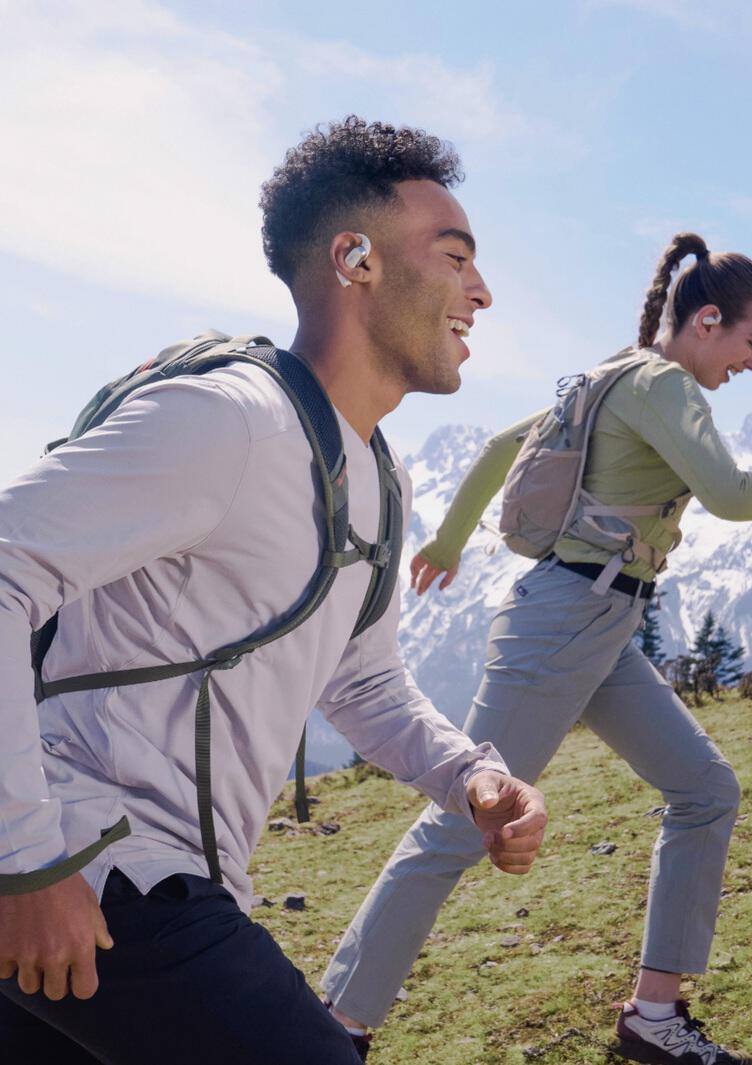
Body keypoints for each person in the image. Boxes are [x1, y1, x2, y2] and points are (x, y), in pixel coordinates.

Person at [0, 116, 548, 1065]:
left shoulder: (375, 475)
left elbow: (363, 681)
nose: (482, 291)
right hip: (94, 868)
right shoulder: (227, 421)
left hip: (155, 881)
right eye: (454, 256)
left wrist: (470, 777)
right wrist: (23, 862)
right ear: (356, 259)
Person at [322, 231, 752, 1064]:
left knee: (705, 788)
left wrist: (454, 541)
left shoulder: (615, 376)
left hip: (594, 624)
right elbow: (735, 493)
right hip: (567, 621)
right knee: (463, 820)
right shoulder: (662, 386)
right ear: (707, 320)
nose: (751, 363)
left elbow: (503, 447)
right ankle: (338, 1025)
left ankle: (653, 1014)